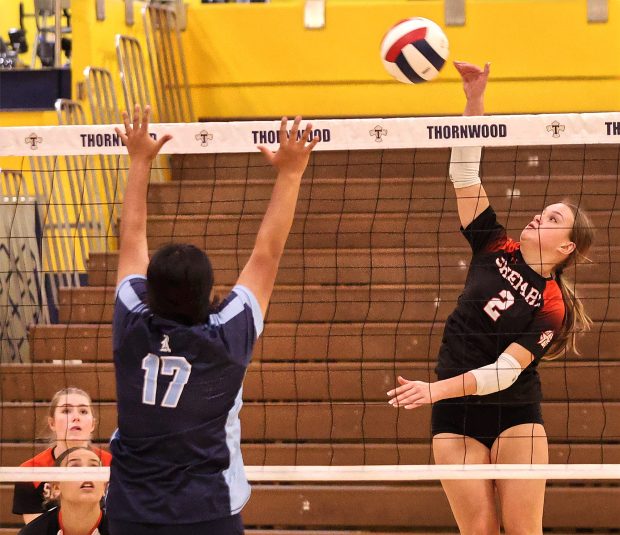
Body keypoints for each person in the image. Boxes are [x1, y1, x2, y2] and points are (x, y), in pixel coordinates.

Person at [387, 61, 594, 535]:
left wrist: (432, 389)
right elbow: (463, 173)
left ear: (566, 249)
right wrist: (474, 100)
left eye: (553, 219)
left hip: (513, 410)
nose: (540, 217)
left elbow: (504, 373)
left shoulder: (552, 306)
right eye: (542, 211)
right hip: (455, 414)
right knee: (478, 531)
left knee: (523, 530)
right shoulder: (493, 243)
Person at [106, 105, 319, 534]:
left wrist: (139, 160)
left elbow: (131, 236)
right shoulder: (226, 336)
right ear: (208, 293)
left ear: (150, 289)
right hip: (208, 511)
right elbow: (267, 253)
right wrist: (291, 172)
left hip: (131, 510)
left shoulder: (131, 321)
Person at [12, 388, 112, 524]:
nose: (76, 417)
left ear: (93, 424)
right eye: (66, 411)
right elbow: (36, 530)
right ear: (52, 423)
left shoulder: (112, 465)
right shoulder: (30, 471)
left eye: (83, 411)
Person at [18, 446, 109, 535]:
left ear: (104, 487)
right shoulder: (33, 532)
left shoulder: (121, 529)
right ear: (56, 487)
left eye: (94, 467)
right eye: (75, 467)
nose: (86, 472)